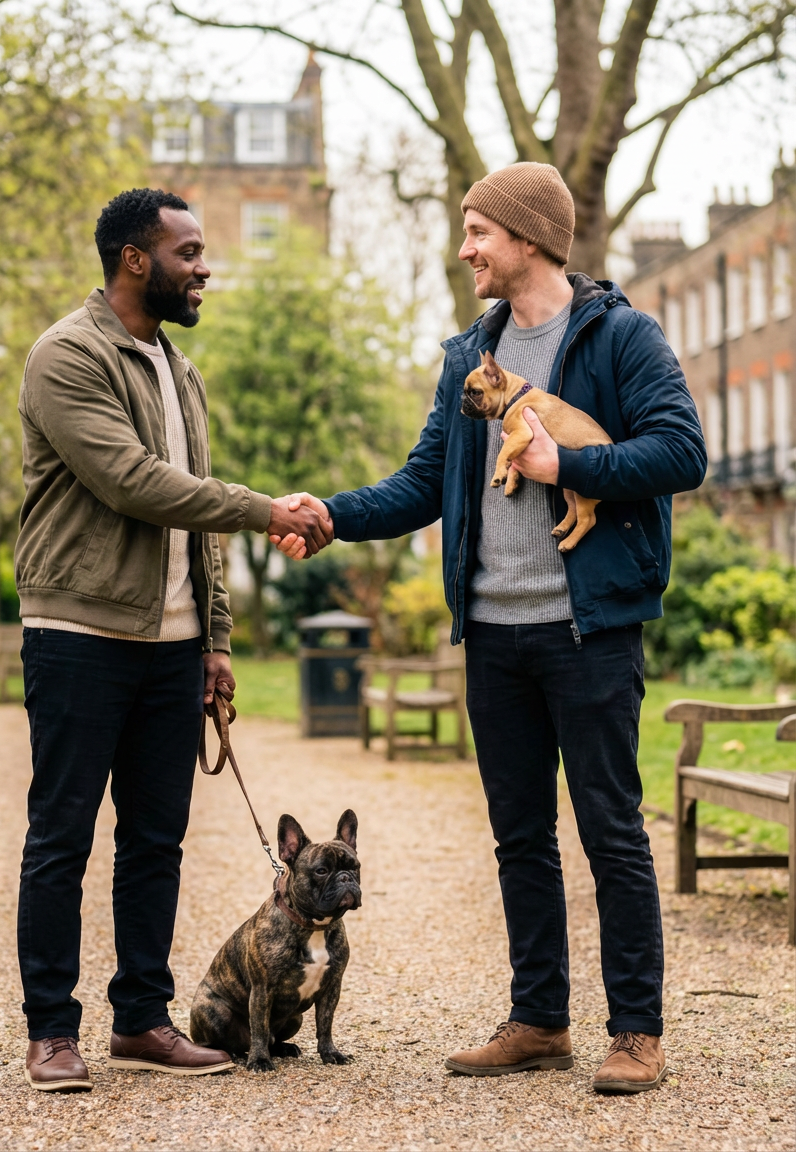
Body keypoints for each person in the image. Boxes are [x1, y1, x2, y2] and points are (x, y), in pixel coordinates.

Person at [273, 163, 706, 1093]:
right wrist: (332, 514)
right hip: (495, 633)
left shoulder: (621, 335)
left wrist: (566, 458)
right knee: (519, 836)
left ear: (531, 238)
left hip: (591, 631)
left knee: (611, 832)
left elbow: (682, 450)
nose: (464, 247)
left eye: (478, 231)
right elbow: (428, 479)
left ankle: (636, 1032)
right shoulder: (470, 353)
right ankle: (540, 1019)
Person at [15, 188, 331, 1091]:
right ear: (135, 260)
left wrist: (217, 639)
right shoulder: (66, 356)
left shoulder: (179, 370)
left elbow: (199, 525)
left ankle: (142, 1021)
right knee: (62, 837)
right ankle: (51, 1030)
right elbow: (136, 483)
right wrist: (270, 506)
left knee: (155, 841)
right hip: (80, 631)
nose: (205, 267)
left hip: (174, 647)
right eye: (189, 251)